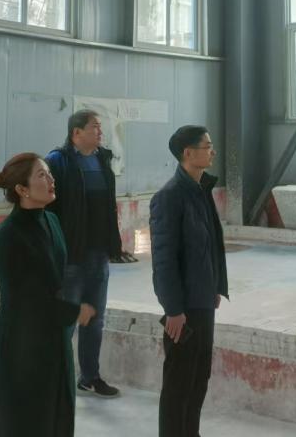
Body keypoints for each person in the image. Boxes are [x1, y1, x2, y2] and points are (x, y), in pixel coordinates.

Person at [0, 152, 96, 437]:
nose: (51, 180)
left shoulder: (51, 221)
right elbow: (24, 300)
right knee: (27, 418)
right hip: (22, 342)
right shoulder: (9, 235)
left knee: (58, 412)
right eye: (41, 175)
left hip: (54, 335)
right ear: (21, 189)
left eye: (49, 173)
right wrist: (73, 311)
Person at [45, 110, 133, 399]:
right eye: (95, 127)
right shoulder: (58, 162)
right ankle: (54, 379)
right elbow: (48, 208)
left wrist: (113, 246)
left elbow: (107, 207)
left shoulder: (102, 160)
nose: (100, 132)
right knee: (66, 319)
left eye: (100, 127)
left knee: (95, 319)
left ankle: (90, 377)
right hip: (71, 255)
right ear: (76, 133)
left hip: (98, 254)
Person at [150, 125, 229, 437]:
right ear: (188, 153)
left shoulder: (201, 190)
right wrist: (173, 309)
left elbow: (210, 246)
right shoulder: (169, 197)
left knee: (198, 379)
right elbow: (164, 260)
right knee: (179, 384)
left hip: (203, 301)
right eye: (207, 146)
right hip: (182, 308)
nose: (212, 151)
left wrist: (214, 286)